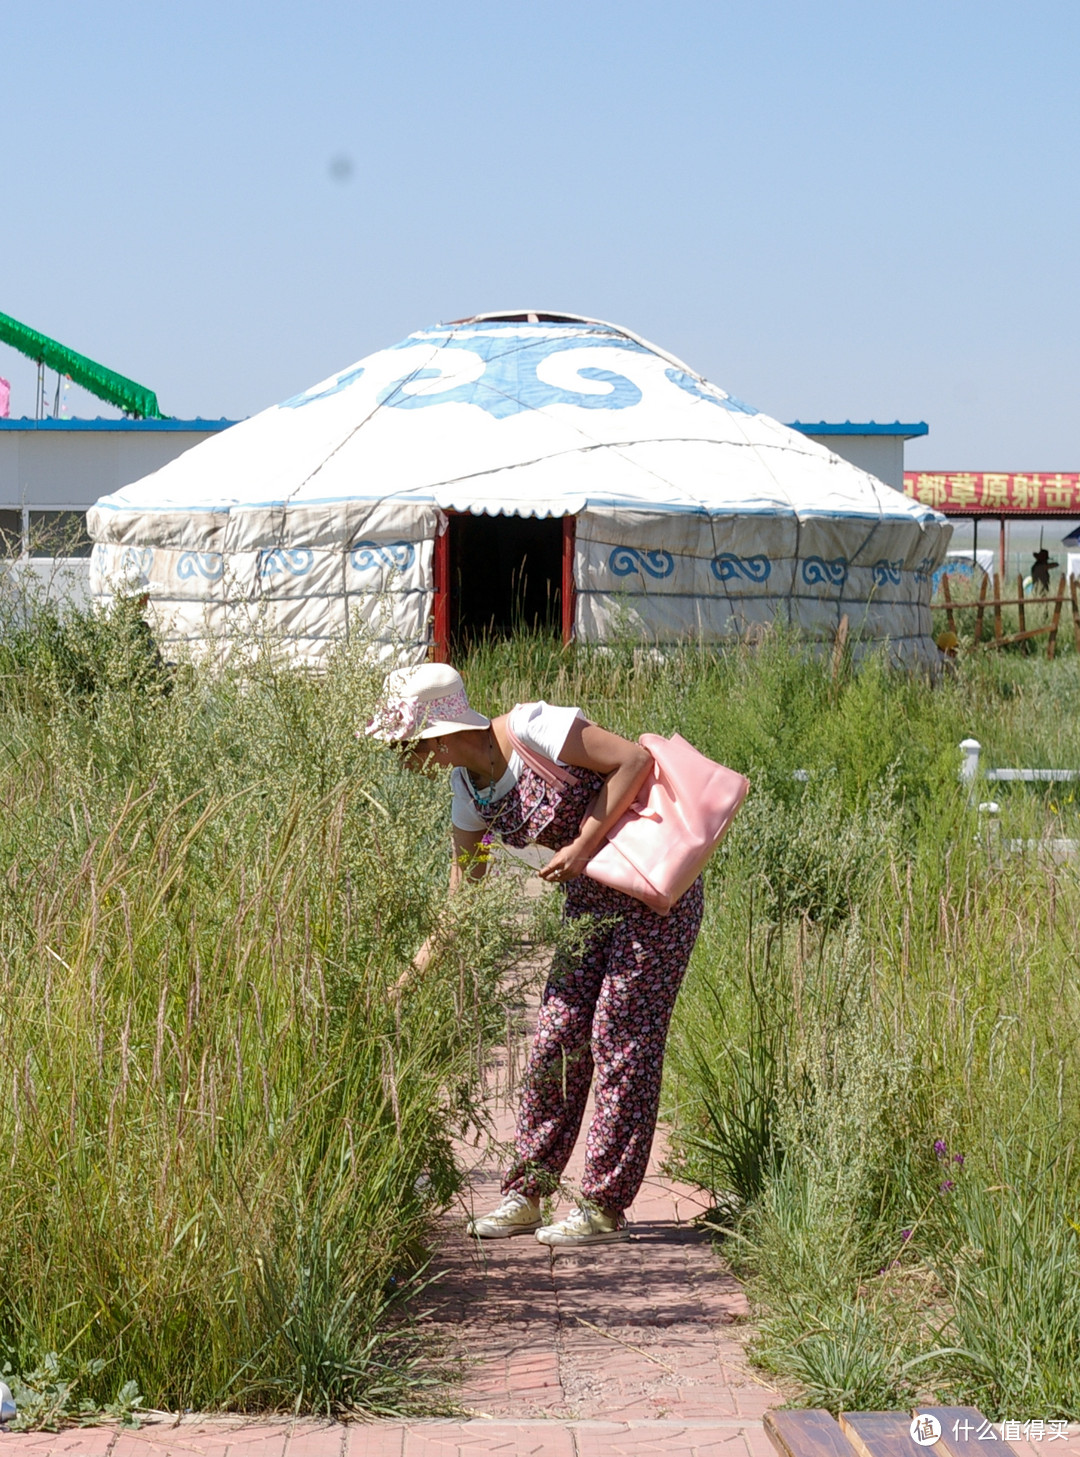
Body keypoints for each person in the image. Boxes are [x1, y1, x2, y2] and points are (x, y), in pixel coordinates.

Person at [368, 663, 705, 1247]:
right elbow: (461, 899)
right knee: (557, 1037)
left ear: (439, 736)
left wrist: (578, 846)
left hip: (655, 896)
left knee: (620, 1036)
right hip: (590, 906)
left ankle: (603, 1207)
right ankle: (527, 1193)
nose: (401, 759)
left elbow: (634, 761)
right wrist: (407, 979)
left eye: (405, 744)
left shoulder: (533, 729)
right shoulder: (467, 790)